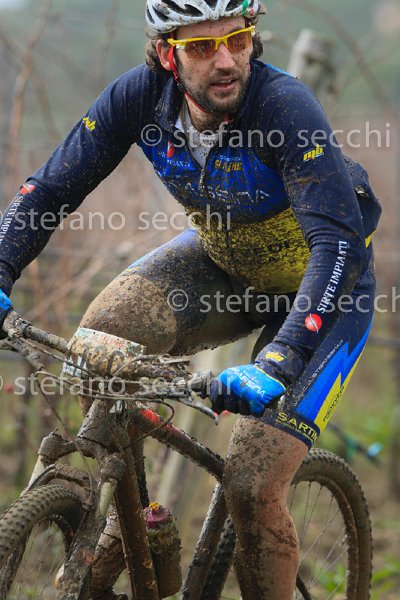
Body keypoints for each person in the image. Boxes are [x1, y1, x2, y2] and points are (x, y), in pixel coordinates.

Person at [0, 0, 381, 597]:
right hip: (225, 267)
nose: (225, 60)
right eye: (202, 47)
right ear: (165, 54)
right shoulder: (138, 98)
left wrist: (279, 359)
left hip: (325, 291)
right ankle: (127, 527)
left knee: (252, 485)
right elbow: (49, 189)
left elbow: (337, 245)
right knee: (101, 339)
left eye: (238, 40)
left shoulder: (283, 107)